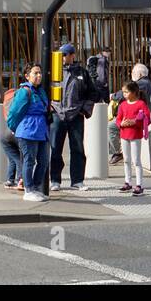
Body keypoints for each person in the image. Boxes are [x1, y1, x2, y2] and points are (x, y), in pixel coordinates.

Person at [50, 43, 95, 192]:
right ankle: (55, 179)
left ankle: (77, 180)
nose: (63, 58)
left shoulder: (82, 72)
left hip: (76, 115)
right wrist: (49, 107)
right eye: (61, 55)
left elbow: (92, 93)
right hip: (57, 114)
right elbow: (45, 91)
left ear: (72, 56)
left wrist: (84, 110)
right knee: (55, 148)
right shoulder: (53, 72)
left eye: (66, 55)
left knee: (77, 148)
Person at [6, 63, 51, 203]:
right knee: (29, 161)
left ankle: (36, 188)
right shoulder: (25, 91)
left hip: (41, 130)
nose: (39, 76)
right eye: (35, 73)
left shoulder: (41, 91)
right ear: (27, 76)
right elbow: (14, 112)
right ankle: (29, 189)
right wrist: (13, 128)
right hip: (28, 130)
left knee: (43, 161)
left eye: (40, 73)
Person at [116, 80, 151, 196]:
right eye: (123, 92)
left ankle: (139, 184)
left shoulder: (141, 104)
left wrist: (134, 122)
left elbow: (147, 119)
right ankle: (128, 182)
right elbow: (118, 119)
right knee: (126, 160)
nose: (124, 94)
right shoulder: (122, 105)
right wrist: (121, 124)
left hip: (135, 135)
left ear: (134, 92)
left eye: (126, 92)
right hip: (124, 134)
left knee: (136, 160)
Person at [0, 85, 24, 191]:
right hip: (16, 132)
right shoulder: (20, 99)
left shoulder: (7, 101)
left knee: (13, 159)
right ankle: (20, 181)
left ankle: (10, 181)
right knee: (20, 159)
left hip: (5, 135)